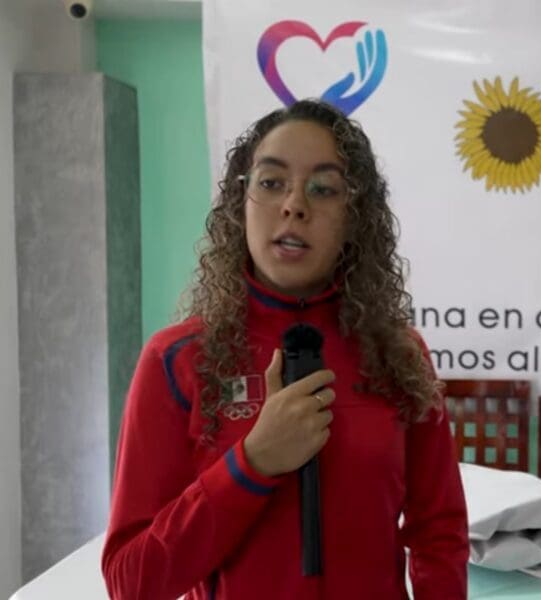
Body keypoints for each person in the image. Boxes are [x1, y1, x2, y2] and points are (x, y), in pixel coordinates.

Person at [101, 99, 469, 599]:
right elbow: (131, 581)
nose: (294, 205)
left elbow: (439, 533)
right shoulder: (176, 360)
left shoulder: (400, 355)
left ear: (355, 218)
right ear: (241, 203)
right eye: (271, 182)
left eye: (323, 189)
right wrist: (251, 464)